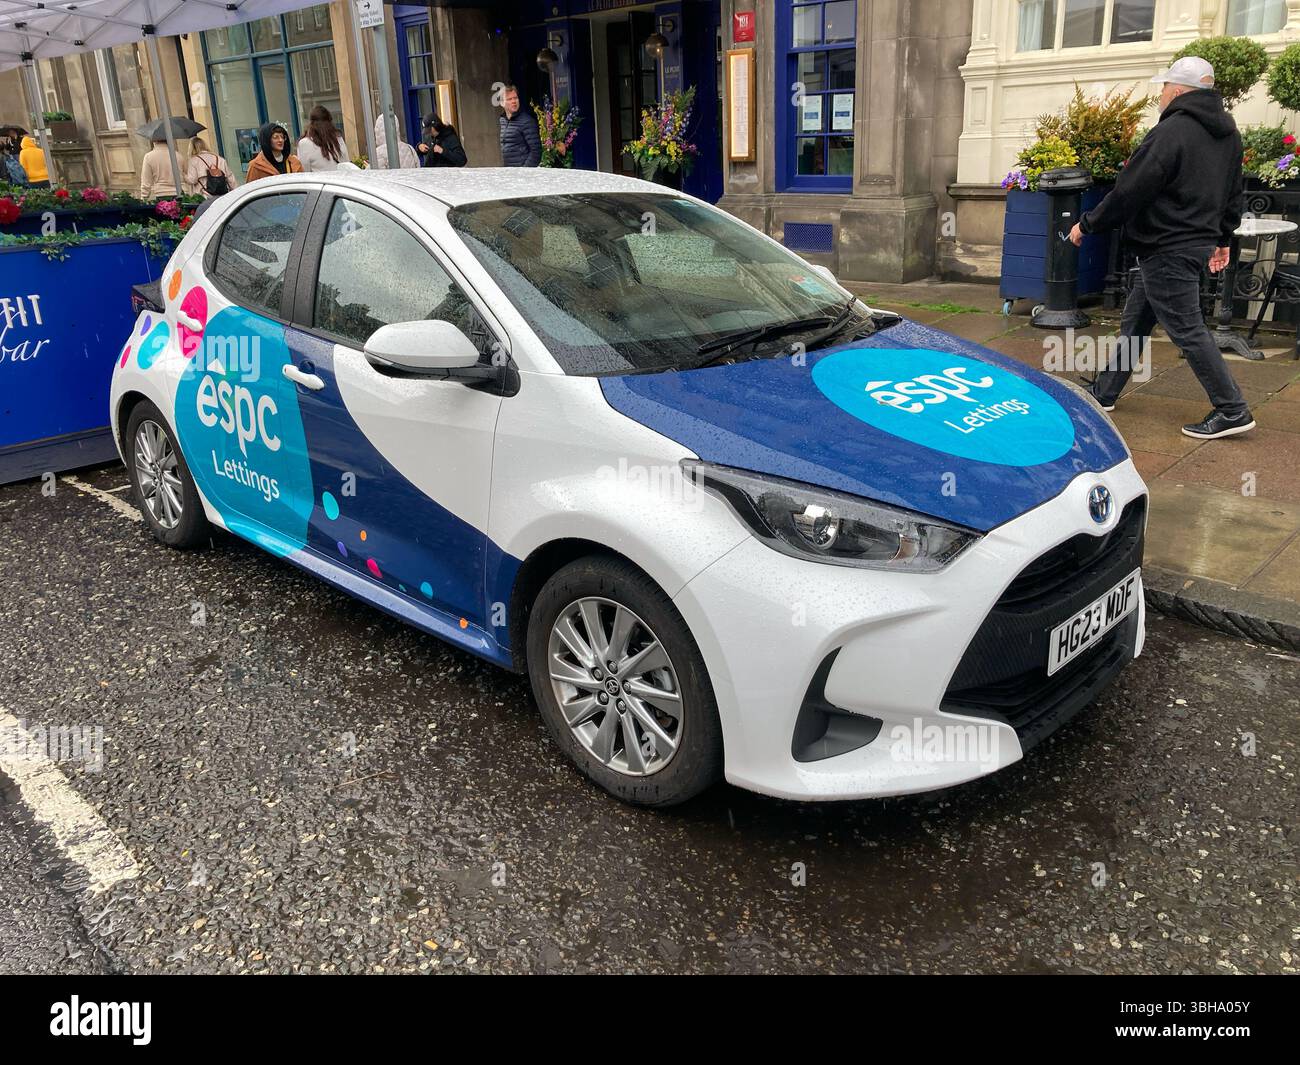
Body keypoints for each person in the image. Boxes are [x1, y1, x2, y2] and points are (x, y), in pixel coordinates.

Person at [1069, 56, 1252, 441]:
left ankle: (1232, 409)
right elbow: (1234, 193)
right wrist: (1222, 238)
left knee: (1188, 330)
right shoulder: (1228, 133)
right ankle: (1105, 393)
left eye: (1164, 87)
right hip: (1190, 243)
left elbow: (1131, 189)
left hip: (1166, 245)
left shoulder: (1172, 131)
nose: (1161, 94)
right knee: (1136, 320)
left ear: (1180, 91)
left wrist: (1088, 224)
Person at [297, 106, 349, 172]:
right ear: (330, 121)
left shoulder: (304, 143)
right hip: (340, 181)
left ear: (311, 123)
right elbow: (347, 165)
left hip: (319, 181)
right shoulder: (338, 139)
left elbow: (304, 172)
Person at [498, 85, 540, 167]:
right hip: (509, 171)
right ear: (502, 103)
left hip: (523, 173)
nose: (514, 101)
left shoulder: (527, 121)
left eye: (515, 98)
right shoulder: (503, 120)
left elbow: (536, 152)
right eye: (509, 99)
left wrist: (524, 171)